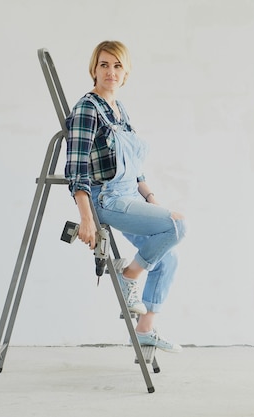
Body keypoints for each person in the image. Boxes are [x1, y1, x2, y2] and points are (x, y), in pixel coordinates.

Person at [64, 40, 186, 353]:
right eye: (104, 64)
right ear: (94, 69)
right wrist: (86, 218)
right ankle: (128, 276)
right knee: (176, 228)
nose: (111, 71)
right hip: (107, 199)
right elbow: (76, 169)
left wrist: (152, 197)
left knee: (166, 258)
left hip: (131, 195)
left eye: (117, 66)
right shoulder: (86, 109)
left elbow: (134, 166)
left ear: (126, 72)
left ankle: (145, 329)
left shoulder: (120, 109)